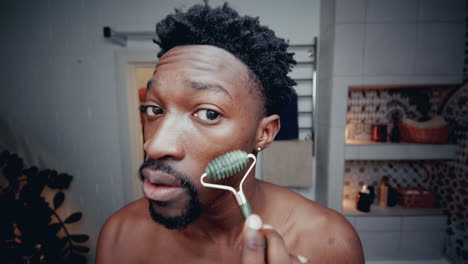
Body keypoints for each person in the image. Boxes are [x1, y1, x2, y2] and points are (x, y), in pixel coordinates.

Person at [96, 3, 364, 263]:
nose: (154, 145)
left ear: (265, 133)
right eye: (154, 109)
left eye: (208, 114)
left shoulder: (330, 243)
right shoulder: (120, 237)